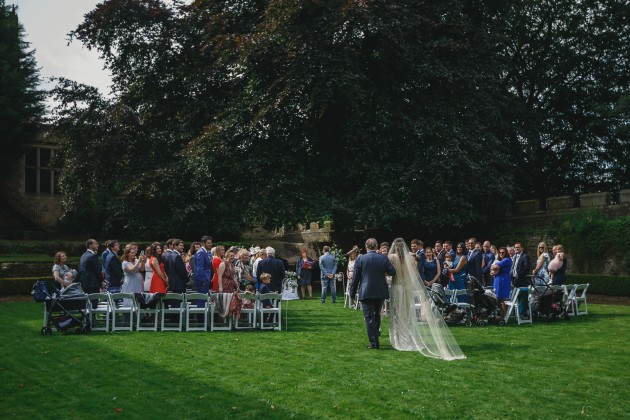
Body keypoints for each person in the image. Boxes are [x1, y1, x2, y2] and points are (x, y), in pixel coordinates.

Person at [387, 238, 465, 360]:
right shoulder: (410, 257)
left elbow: (389, 272)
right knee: (407, 313)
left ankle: (401, 339)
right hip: (407, 287)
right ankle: (407, 337)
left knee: (399, 313)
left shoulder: (391, 257)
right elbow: (414, 271)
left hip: (398, 287)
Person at [349, 238, 396, 349]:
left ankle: (374, 343)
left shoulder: (360, 259)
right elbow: (393, 271)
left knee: (369, 317)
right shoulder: (383, 258)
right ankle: (375, 337)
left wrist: (352, 293)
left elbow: (355, 278)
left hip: (366, 291)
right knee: (376, 315)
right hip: (380, 291)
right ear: (376, 246)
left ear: (366, 247)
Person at [490, 247, 512, 320]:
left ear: (506, 253)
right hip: (498, 279)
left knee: (502, 299)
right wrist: (493, 269)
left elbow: (494, 267)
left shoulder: (507, 260)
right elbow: (492, 269)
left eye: (503, 252)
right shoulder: (501, 260)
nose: (501, 254)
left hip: (503, 280)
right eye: (500, 252)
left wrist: (494, 268)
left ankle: (503, 316)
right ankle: (500, 316)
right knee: (498, 299)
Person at [511, 241, 531, 317]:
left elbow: (527, 267)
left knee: (523, 297)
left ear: (522, 248)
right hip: (514, 279)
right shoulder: (515, 256)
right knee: (517, 297)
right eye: (516, 247)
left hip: (521, 280)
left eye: (518, 247)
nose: (517, 249)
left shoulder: (525, 256)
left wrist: (519, 275)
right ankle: (517, 313)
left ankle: (523, 313)